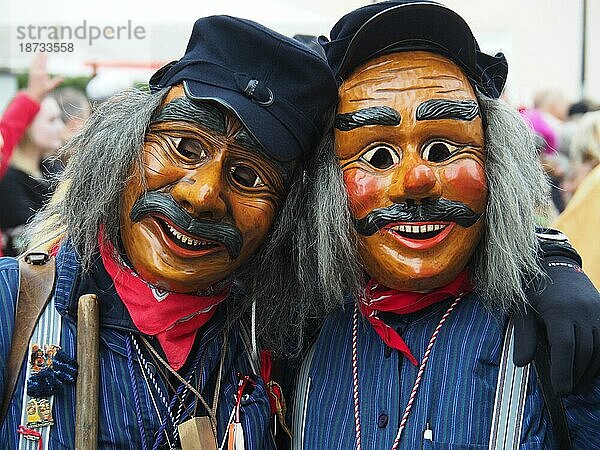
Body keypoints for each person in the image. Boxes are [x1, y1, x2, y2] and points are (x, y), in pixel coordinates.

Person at [0, 15, 337, 449]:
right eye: (185, 146)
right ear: (124, 146)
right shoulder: (14, 307)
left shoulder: (274, 344)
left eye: (249, 177)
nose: (202, 195)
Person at [293, 2, 600, 448]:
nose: (415, 182)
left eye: (442, 149)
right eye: (378, 156)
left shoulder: (546, 339)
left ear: (497, 162)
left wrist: (549, 260)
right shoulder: (294, 329)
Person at [0, 91, 66, 256]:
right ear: (27, 126)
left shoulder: (51, 167)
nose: (61, 127)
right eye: (52, 120)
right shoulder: (8, 179)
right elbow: (32, 240)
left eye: (60, 118)